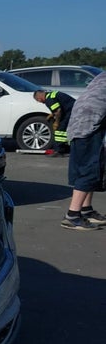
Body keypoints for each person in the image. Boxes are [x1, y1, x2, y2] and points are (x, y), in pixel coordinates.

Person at [61, 72, 106, 231]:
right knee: (90, 169)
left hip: (80, 124)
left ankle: (86, 210)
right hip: (90, 125)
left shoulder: (101, 77)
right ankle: (72, 216)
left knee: (88, 167)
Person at [33, 89, 75, 156]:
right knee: (65, 129)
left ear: (39, 97)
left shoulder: (49, 99)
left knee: (60, 130)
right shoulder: (51, 95)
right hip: (73, 110)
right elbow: (59, 106)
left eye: (38, 100)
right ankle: (65, 149)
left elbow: (58, 111)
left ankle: (59, 151)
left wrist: (56, 123)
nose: (40, 101)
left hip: (71, 112)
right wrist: (52, 114)